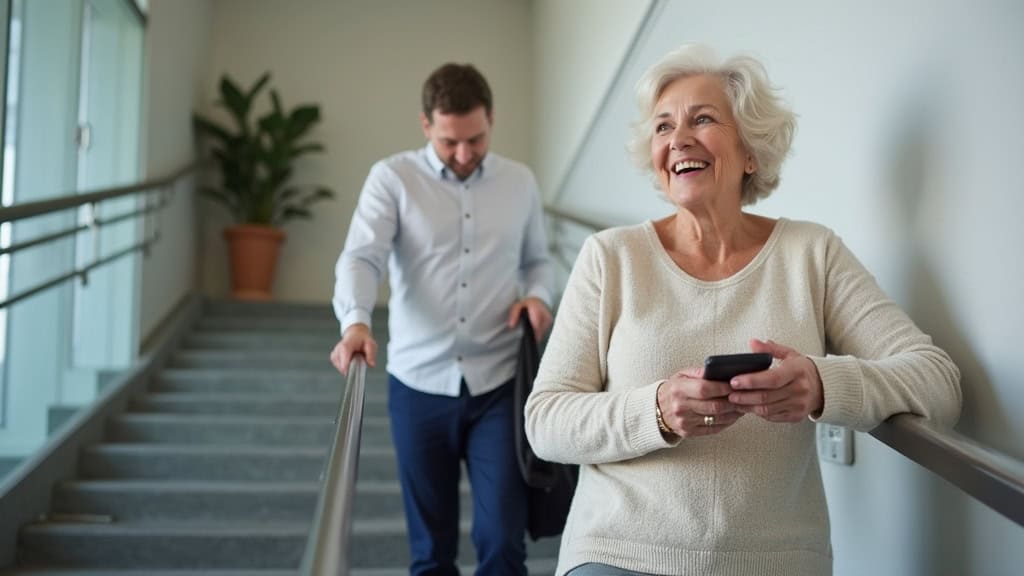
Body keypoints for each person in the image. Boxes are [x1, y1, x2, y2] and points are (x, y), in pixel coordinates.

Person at [524, 43, 961, 576]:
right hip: (620, 552)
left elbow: (938, 382)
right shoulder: (611, 257)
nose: (678, 139)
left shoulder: (812, 253)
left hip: (775, 562)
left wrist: (822, 385)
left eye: (701, 119)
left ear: (750, 152)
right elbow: (545, 421)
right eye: (663, 127)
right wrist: (657, 410)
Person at [330, 62, 554, 575]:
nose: (463, 155)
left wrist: (538, 296)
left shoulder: (519, 182)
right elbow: (362, 258)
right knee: (430, 555)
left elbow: (539, 259)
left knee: (502, 542)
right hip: (417, 385)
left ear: (491, 119)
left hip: (499, 384)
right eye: (450, 141)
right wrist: (357, 322)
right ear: (426, 124)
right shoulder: (392, 178)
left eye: (475, 139)